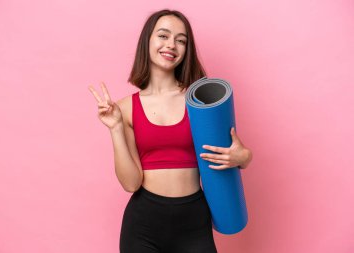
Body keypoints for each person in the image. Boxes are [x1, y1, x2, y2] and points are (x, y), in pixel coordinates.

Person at [88, 9, 252, 253]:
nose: (171, 45)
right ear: (148, 41)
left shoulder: (201, 101)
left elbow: (238, 152)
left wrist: (243, 158)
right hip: (143, 224)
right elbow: (131, 183)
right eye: (163, 36)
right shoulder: (124, 108)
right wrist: (116, 128)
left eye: (181, 40)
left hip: (194, 221)